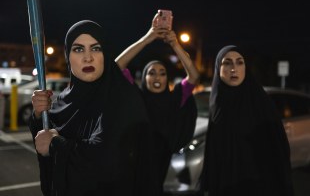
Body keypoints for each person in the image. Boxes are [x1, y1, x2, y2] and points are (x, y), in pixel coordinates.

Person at [29, 20, 150, 196]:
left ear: (105, 54)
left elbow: (107, 162)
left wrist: (56, 145)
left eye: (95, 48)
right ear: (67, 57)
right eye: (78, 49)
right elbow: (43, 141)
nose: (88, 57)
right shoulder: (62, 101)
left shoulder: (124, 99)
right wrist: (39, 116)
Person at [115, 13, 200, 196]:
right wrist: (149, 38)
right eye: (151, 73)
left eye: (162, 73)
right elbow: (117, 67)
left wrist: (174, 44)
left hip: (158, 173)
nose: (157, 77)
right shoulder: (137, 97)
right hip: (131, 169)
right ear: (144, 77)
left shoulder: (176, 97)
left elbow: (193, 76)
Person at [198, 45, 294, 196]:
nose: (233, 68)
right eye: (227, 62)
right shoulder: (217, 102)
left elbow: (278, 152)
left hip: (257, 185)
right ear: (218, 68)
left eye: (239, 62)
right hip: (225, 185)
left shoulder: (260, 102)